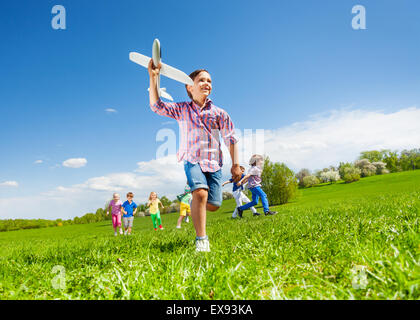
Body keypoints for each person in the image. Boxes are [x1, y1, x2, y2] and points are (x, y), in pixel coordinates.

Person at [147, 60, 242, 252]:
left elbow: (231, 139)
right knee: (200, 192)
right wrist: (153, 77)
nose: (207, 83)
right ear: (190, 87)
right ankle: (202, 239)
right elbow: (157, 106)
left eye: (209, 80)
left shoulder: (219, 113)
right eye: (201, 80)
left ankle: (196, 203)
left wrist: (236, 165)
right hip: (192, 159)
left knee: (214, 204)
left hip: (214, 163)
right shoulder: (182, 109)